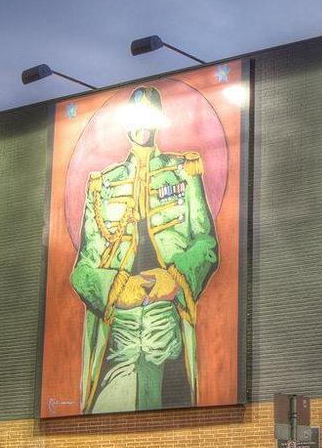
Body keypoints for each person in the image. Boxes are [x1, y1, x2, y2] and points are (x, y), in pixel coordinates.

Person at [71, 86, 218, 411]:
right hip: (118, 328)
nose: (144, 127)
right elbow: (82, 270)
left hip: (166, 320)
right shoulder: (103, 184)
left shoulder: (183, 170)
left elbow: (206, 244)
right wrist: (116, 289)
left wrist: (175, 278)